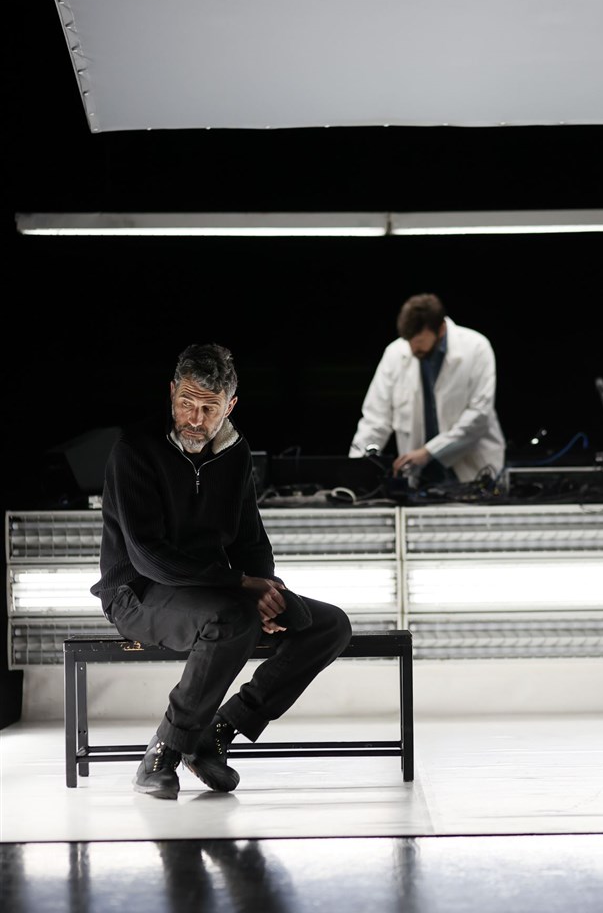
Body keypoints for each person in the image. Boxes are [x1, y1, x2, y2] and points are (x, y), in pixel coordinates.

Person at [90, 343, 352, 800]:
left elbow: (250, 540)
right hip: (138, 593)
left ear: (229, 406)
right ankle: (165, 751)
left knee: (327, 625)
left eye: (208, 408)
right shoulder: (135, 449)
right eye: (185, 403)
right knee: (233, 618)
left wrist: (267, 589)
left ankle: (218, 732)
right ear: (172, 392)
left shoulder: (235, 452)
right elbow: (148, 557)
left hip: (212, 591)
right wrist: (241, 585)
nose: (194, 419)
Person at [349, 293, 506, 487]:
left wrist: (429, 452)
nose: (412, 348)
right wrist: (355, 470)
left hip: (472, 471)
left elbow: (479, 415)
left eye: (419, 340)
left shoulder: (476, 348)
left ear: (441, 329)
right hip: (420, 478)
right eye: (408, 340)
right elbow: (375, 418)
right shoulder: (395, 353)